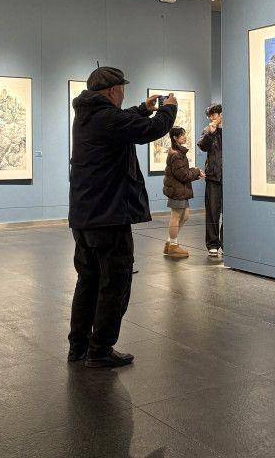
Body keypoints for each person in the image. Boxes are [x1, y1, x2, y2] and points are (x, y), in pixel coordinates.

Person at [68, 66, 177, 368]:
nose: (123, 95)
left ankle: (79, 347)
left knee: (88, 281)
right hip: (109, 216)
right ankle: (100, 349)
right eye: (122, 90)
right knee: (115, 282)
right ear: (113, 91)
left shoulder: (87, 115)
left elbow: (121, 121)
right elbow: (151, 130)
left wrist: (143, 108)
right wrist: (169, 109)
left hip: (85, 216)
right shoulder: (107, 118)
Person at [162, 126, 204, 258]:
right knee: (176, 216)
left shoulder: (179, 153)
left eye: (185, 134)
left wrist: (195, 172)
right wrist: (196, 171)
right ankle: (173, 246)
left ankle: (169, 243)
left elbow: (183, 172)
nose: (185, 137)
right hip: (177, 190)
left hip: (180, 189)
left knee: (184, 216)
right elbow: (183, 175)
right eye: (182, 135)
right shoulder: (176, 155)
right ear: (175, 138)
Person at [197, 103, 223, 257]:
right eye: (209, 116)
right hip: (213, 177)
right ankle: (213, 244)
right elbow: (202, 146)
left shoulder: (230, 130)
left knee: (229, 212)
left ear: (220, 115)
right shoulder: (208, 131)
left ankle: (226, 242)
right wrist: (209, 133)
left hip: (230, 178)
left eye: (213, 115)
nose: (211, 118)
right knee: (212, 212)